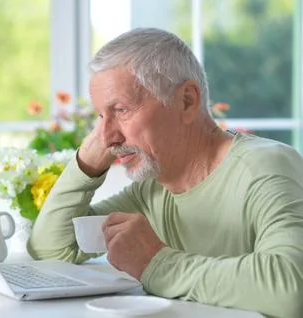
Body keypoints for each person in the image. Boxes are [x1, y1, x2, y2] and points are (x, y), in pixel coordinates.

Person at [27, 28, 303, 318]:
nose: (107, 137)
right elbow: (51, 249)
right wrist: (86, 165)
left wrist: (155, 263)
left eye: (120, 110)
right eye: (99, 117)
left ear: (186, 101)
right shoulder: (152, 190)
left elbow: (292, 288)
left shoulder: (266, 167)